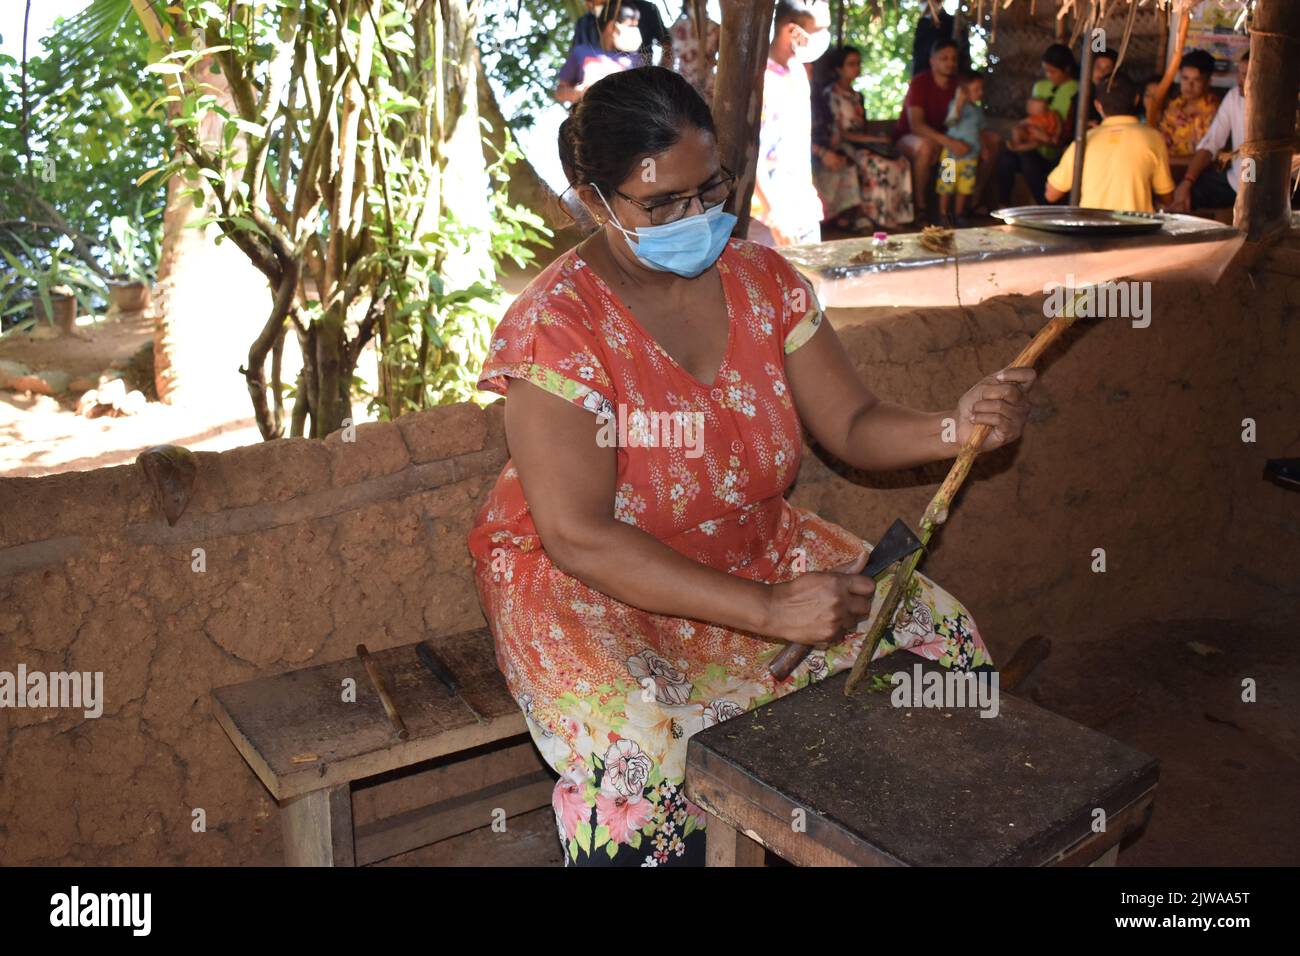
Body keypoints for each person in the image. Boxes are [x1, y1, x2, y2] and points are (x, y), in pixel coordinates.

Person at [469, 64, 1038, 867]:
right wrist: (770, 611)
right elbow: (578, 536)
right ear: (593, 201)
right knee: (648, 755)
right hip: (589, 587)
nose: (696, 217)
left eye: (710, 190)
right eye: (661, 203)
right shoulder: (556, 330)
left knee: (934, 641)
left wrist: (958, 424)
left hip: (749, 542)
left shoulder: (764, 281)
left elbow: (855, 422)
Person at [750, 0, 831, 246]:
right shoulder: (760, 80)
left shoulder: (797, 71)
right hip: (769, 219)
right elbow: (751, 151)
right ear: (791, 30)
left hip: (803, 210)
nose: (824, 38)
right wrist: (774, 214)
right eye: (818, 31)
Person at [814, 45, 914, 231]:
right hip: (844, 144)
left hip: (863, 143)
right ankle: (875, 217)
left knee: (901, 162)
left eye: (858, 64)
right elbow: (839, 132)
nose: (856, 68)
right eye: (851, 64)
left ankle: (897, 215)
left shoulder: (857, 96)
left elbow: (862, 126)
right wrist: (874, 141)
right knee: (877, 164)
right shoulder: (831, 95)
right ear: (838, 68)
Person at [1046, 73, 1175, 211]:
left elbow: (1052, 194)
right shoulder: (1153, 138)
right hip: (1136, 230)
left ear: (1097, 105)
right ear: (1136, 99)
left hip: (1093, 229)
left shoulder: (1085, 140)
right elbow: (1167, 197)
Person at [894, 38, 965, 224]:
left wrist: (950, 143)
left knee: (951, 155)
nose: (950, 63)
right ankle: (921, 209)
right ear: (932, 60)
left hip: (943, 139)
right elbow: (916, 125)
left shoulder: (958, 86)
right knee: (926, 147)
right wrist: (947, 141)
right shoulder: (920, 83)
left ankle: (947, 209)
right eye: (944, 58)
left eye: (953, 58)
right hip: (909, 136)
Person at [996, 43, 1078, 205]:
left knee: (1027, 159)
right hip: (1035, 142)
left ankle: (1046, 205)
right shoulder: (1040, 87)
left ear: (1067, 69)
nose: (1049, 75)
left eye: (1053, 71)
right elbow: (1030, 120)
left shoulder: (1076, 90)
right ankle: (1003, 205)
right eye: (1046, 71)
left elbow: (1069, 128)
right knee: (1006, 160)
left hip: (1057, 149)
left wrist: (1045, 138)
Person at [1170, 50, 1249, 212]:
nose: (1241, 80)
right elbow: (1212, 142)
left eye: (1248, 74)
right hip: (1235, 182)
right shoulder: (1234, 96)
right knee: (1187, 193)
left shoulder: (1284, 104)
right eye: (1240, 73)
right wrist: (1187, 181)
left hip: (1273, 187)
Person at [556, 3, 647, 104]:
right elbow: (560, 92)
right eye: (630, 26)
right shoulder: (581, 52)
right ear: (611, 26)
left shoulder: (637, 60)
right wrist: (580, 93)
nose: (634, 31)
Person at [937, 71, 985, 226]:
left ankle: (959, 214)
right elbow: (951, 121)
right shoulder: (956, 106)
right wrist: (959, 101)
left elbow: (981, 131)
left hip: (970, 156)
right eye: (976, 89)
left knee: (965, 187)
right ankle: (943, 214)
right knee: (946, 185)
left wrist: (984, 148)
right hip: (950, 155)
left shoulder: (978, 111)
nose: (980, 93)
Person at [1155, 49, 1221, 158]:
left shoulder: (1215, 111)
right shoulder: (1174, 105)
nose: (1189, 85)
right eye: (1185, 78)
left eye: (1196, 80)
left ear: (1208, 82)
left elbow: (1206, 155)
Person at [575, 0, 673, 65]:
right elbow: (576, 59)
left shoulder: (646, 9)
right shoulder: (584, 23)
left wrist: (660, 75)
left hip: (641, 82)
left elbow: (667, 44)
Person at [668, 1, 720, 100]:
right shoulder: (676, 28)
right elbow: (669, 58)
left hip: (707, 86)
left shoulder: (715, 29)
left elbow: (725, 61)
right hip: (683, 85)